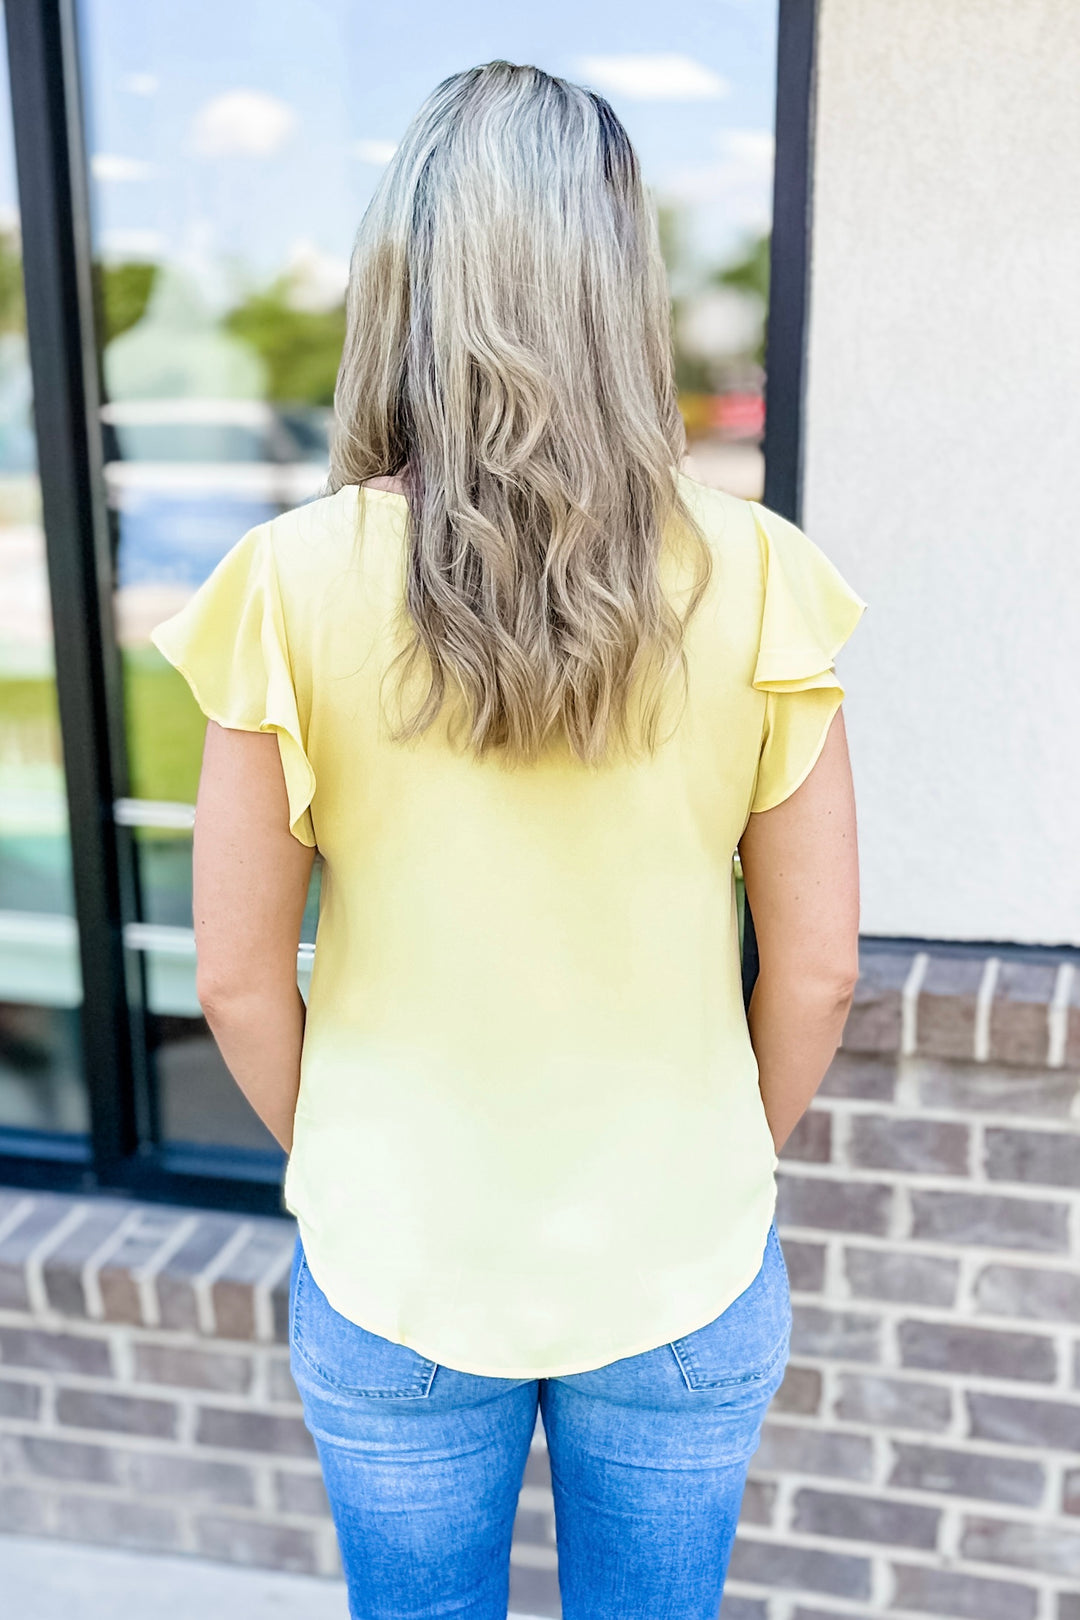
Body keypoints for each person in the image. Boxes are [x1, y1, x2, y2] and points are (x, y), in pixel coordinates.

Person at [151, 59, 866, 1620]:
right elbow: (816, 974)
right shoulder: (756, 574)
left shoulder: (290, 582)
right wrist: (721, 1163)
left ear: (402, 277)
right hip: (681, 1250)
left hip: (396, 1259)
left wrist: (352, 1160)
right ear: (621, 281)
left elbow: (233, 980)